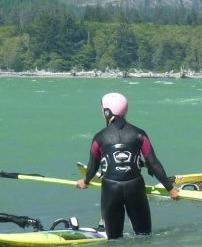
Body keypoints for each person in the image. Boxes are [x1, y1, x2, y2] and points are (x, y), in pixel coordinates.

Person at [76, 92, 179, 239]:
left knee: (114, 239)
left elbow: (93, 166)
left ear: (107, 112)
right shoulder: (139, 134)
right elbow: (153, 163)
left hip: (111, 190)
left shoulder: (99, 137)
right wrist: (170, 188)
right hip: (135, 188)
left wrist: (85, 181)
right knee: (144, 236)